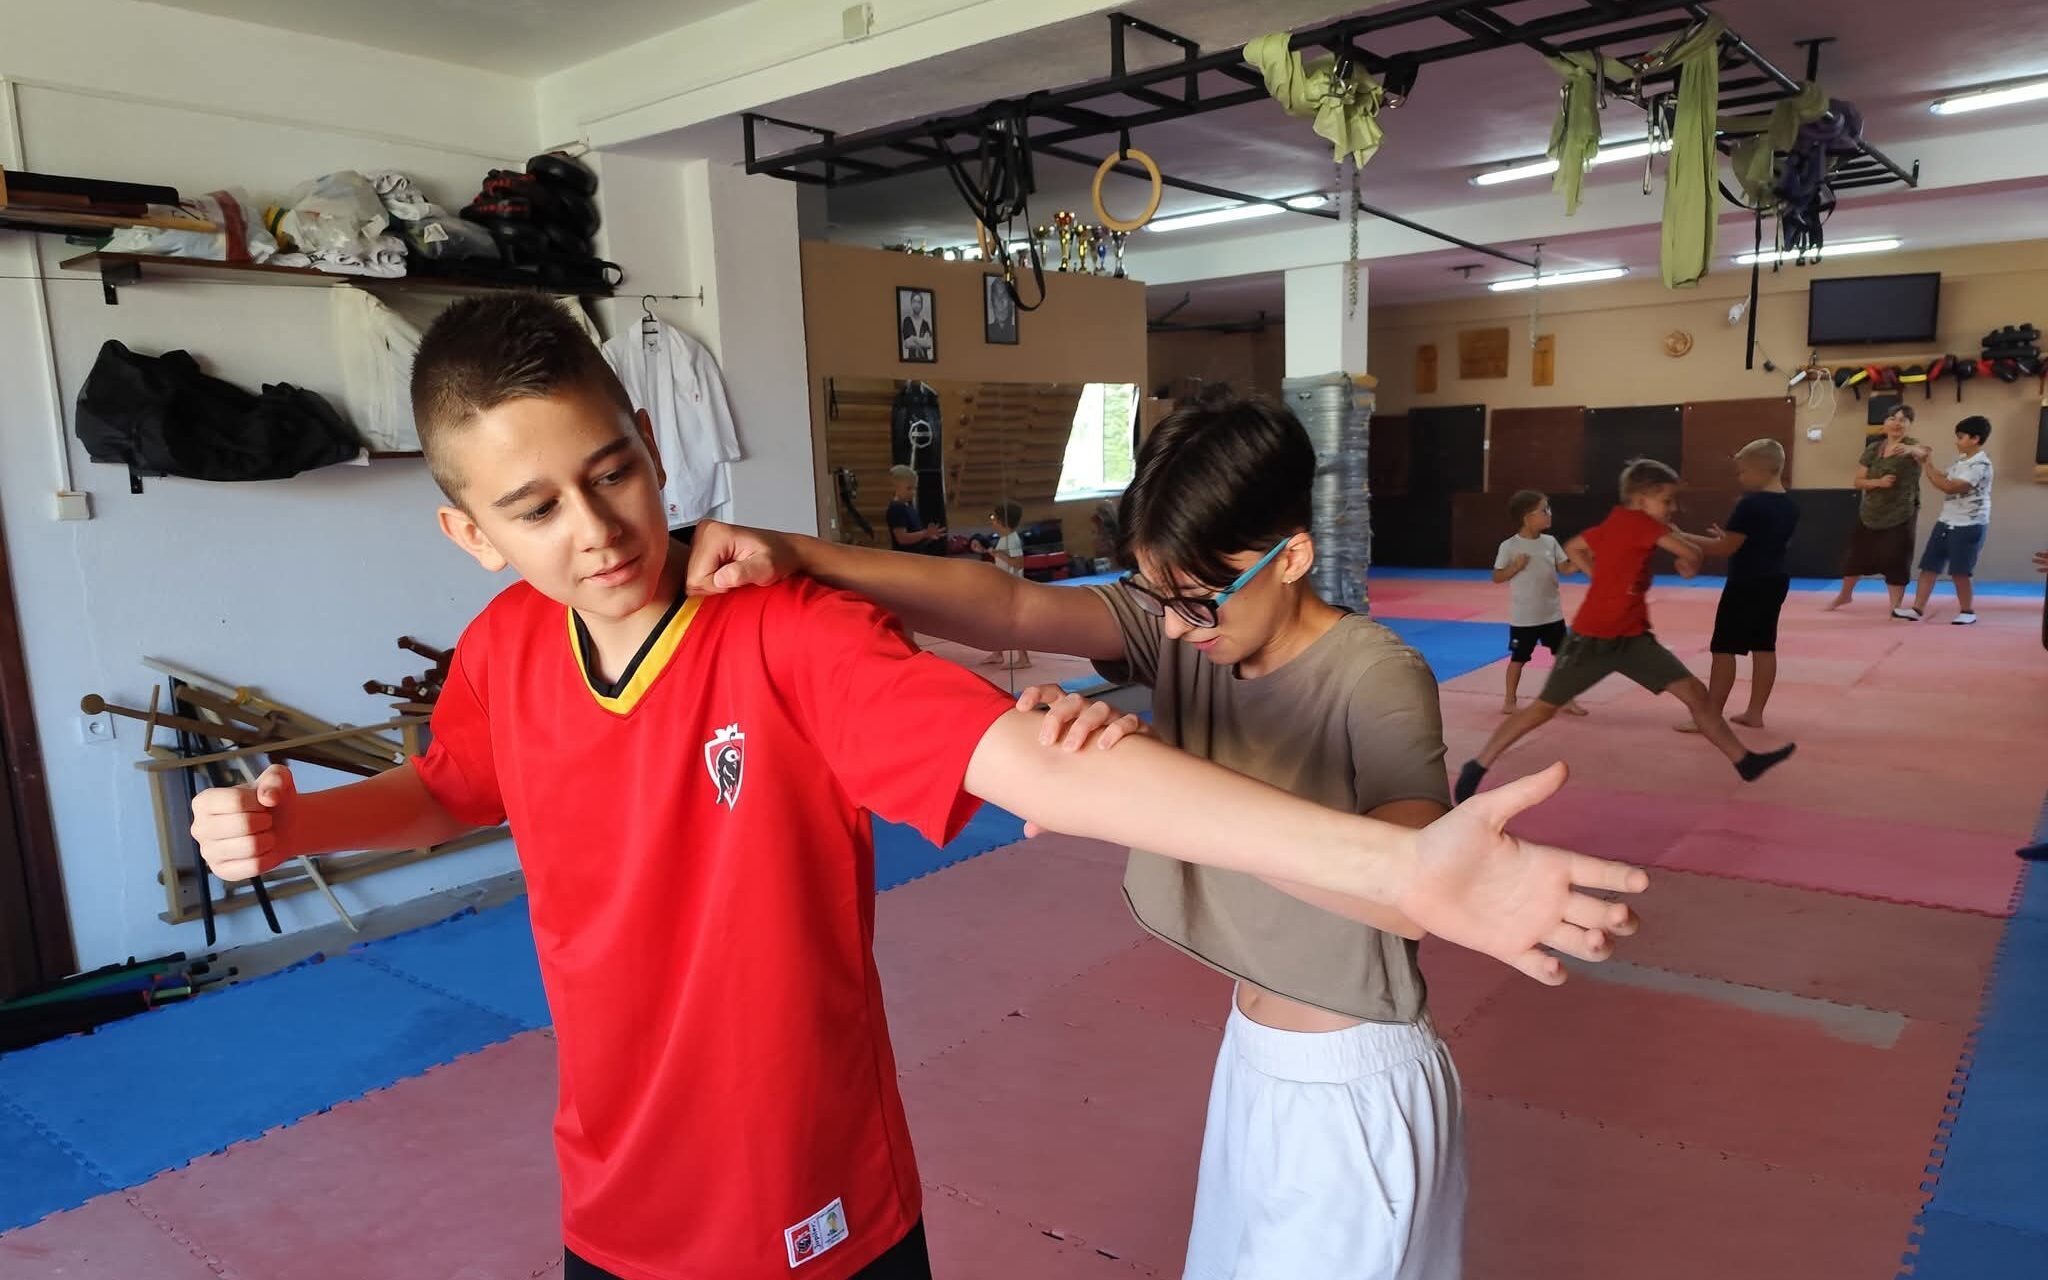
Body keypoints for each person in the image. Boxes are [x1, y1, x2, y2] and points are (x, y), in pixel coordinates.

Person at [188, 300, 1647, 1280]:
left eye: (614, 470)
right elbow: (454, 787)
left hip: (806, 1191)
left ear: (646, 435)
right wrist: (305, 822)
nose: (598, 529)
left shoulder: (783, 633)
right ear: (468, 533)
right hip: (610, 1187)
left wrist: (1398, 870)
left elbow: (1037, 763)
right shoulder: (506, 646)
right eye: (533, 507)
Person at [686, 392, 1636, 1280]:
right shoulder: (1189, 629)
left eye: (1197, 600)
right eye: (1157, 597)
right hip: (1253, 1058)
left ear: (1293, 558)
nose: (1176, 630)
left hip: (1354, 1080)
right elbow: (1007, 605)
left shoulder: (1374, 675)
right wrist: (796, 554)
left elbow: (1409, 888)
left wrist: (1149, 784)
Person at [1454, 459, 1797, 804]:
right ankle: (1478, 763)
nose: (1673, 508)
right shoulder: (1640, 523)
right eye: (1667, 500)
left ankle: (1744, 761)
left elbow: (1574, 546)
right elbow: (1690, 551)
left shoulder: (1618, 520)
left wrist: (1598, 575)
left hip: (1633, 639)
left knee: (1696, 694)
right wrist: (1688, 567)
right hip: (1592, 640)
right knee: (1543, 709)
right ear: (1642, 499)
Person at [1671, 439, 1800, 730]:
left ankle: (1711, 715)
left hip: (1747, 582)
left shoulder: (1750, 504)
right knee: (1764, 646)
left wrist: (1682, 537)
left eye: (1742, 472)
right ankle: (1755, 713)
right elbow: (1758, 541)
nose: (1740, 478)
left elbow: (1724, 549)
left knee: (1724, 647)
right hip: (1775, 580)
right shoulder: (1790, 506)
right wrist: (1727, 537)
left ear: (1761, 470)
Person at [1493, 489, 1590, 717]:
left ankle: (1567, 699)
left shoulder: (1550, 542)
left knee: (1563, 658)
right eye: (1544, 510)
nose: (1550, 514)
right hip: (1525, 617)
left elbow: (1565, 569)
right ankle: (1509, 700)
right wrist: (1515, 567)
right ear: (1528, 517)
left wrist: (1583, 558)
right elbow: (1497, 576)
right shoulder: (1509, 546)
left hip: (1552, 614)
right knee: (1518, 659)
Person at [1827, 403, 1923, 616]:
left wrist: (1910, 450)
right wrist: (1878, 482)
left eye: (1903, 420)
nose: (1897, 423)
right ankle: (1845, 595)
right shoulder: (1873, 449)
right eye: (1893, 418)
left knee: (1897, 559)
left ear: (1909, 425)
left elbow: (1924, 453)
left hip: (1901, 514)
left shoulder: (1912, 446)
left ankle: (1894, 607)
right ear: (1885, 423)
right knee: (1855, 557)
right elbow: (1858, 481)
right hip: (1870, 513)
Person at [1904, 415, 1995, 625]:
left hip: (1970, 523)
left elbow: (1950, 487)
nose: (1957, 441)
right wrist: (1926, 462)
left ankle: (1967, 611)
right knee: (1929, 567)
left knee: (1960, 571)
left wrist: (1927, 465)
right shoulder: (1960, 460)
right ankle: (1917, 608)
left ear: (1975, 439)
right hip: (1947, 520)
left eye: (1961, 437)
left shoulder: (1981, 465)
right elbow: (1943, 477)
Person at [974, 500, 1031, 669]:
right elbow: (1004, 559)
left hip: (1011, 588)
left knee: (1010, 623)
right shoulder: (1005, 539)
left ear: (1001, 521)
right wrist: (987, 552)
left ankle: (1024, 658)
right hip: (1003, 586)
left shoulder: (1012, 540)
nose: (991, 521)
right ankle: (998, 653)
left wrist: (998, 554)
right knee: (997, 621)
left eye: (993, 518)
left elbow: (1018, 563)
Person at [884, 464, 946, 554]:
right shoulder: (896, 508)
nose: (913, 492)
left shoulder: (907, 506)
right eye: (909, 488)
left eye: (915, 488)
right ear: (895, 487)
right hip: (905, 557)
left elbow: (915, 533)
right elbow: (902, 538)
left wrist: (928, 536)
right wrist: (925, 533)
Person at [900, 291, 933, 358]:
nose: (916, 305)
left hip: (925, 359)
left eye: (919, 302)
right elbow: (907, 344)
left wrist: (913, 338)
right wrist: (922, 341)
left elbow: (928, 344)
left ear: (921, 305)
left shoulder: (925, 323)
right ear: (911, 303)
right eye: (914, 301)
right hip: (911, 359)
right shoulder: (907, 321)